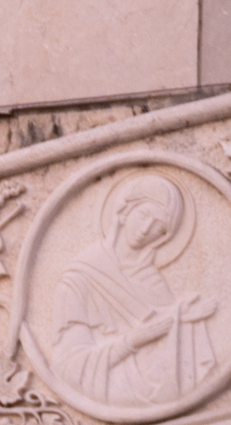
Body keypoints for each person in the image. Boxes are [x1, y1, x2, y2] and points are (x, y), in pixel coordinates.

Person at [50, 170, 219, 408]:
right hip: (113, 393)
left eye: (158, 226)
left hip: (163, 394)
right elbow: (69, 366)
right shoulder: (79, 278)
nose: (145, 229)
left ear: (162, 238)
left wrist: (183, 317)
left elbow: (166, 343)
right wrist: (131, 341)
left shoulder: (153, 281)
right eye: (144, 214)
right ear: (124, 211)